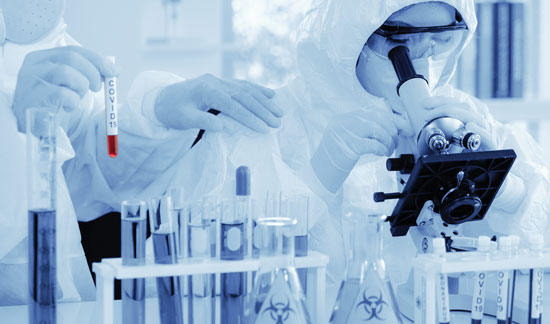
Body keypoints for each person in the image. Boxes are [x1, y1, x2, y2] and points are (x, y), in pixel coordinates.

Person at [159, 0, 550, 314]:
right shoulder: (270, 123)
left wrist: (509, 191)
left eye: (441, 39)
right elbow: (203, 280)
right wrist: (316, 179)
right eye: (403, 41)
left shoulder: (465, 118)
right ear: (353, 36)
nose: (424, 56)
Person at [0, 0, 282, 305]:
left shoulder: (41, 38)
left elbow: (85, 160)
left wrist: (157, 112)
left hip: (68, 304)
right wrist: (20, 131)